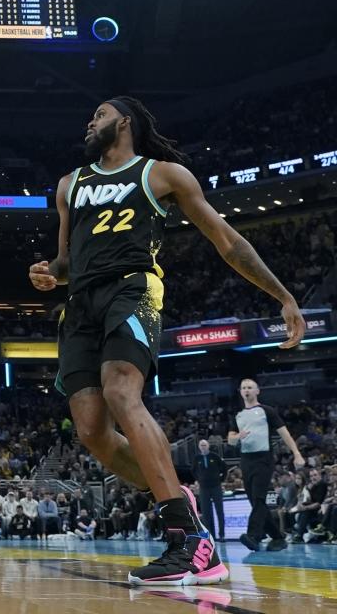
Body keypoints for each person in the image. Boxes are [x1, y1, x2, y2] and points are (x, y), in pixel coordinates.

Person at [29, 96, 307, 585]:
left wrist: (282, 296)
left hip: (132, 288)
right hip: (80, 305)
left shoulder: (161, 174)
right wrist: (49, 273)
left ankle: (188, 540)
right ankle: (178, 499)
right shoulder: (69, 185)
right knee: (92, 431)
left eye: (99, 114)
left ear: (125, 122)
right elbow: (67, 260)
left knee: (121, 391)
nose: (90, 122)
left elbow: (226, 240)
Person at [229, 379, 305, 551]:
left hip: (264, 458)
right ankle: (278, 537)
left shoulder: (267, 411)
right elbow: (230, 440)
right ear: (240, 392)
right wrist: (237, 437)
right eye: (243, 388)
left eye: (250, 387)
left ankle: (253, 536)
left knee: (258, 498)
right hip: (246, 460)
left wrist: (297, 453)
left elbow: (284, 433)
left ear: (257, 391)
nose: (246, 390)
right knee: (256, 502)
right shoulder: (239, 415)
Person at [192, 439, 227, 540]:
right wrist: (199, 479)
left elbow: (224, 468)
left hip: (216, 486)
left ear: (208, 446)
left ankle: (222, 535)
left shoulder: (215, 457)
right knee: (206, 512)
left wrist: (221, 479)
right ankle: (209, 535)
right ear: (199, 447)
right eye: (201, 445)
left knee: (219, 511)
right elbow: (193, 471)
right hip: (204, 488)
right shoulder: (196, 458)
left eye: (205, 445)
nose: (203, 447)